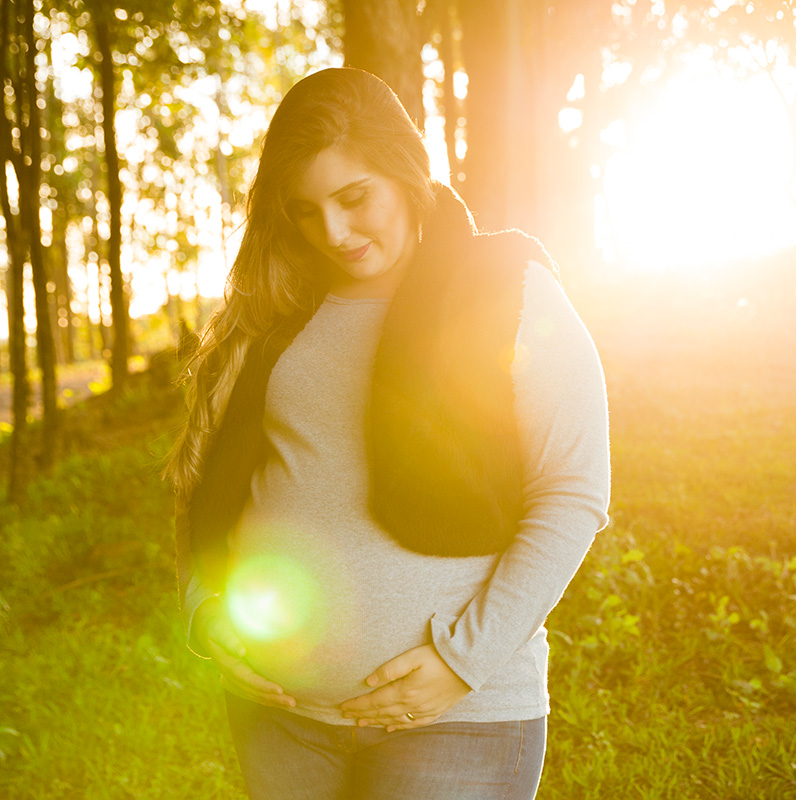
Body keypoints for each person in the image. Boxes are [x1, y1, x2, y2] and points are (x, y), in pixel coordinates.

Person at [167, 67, 610, 800]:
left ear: (406, 173)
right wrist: (205, 614)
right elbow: (204, 487)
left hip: (460, 721)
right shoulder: (278, 315)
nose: (334, 232)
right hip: (283, 720)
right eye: (306, 210)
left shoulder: (508, 285)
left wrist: (462, 662)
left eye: (354, 197)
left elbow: (573, 491)